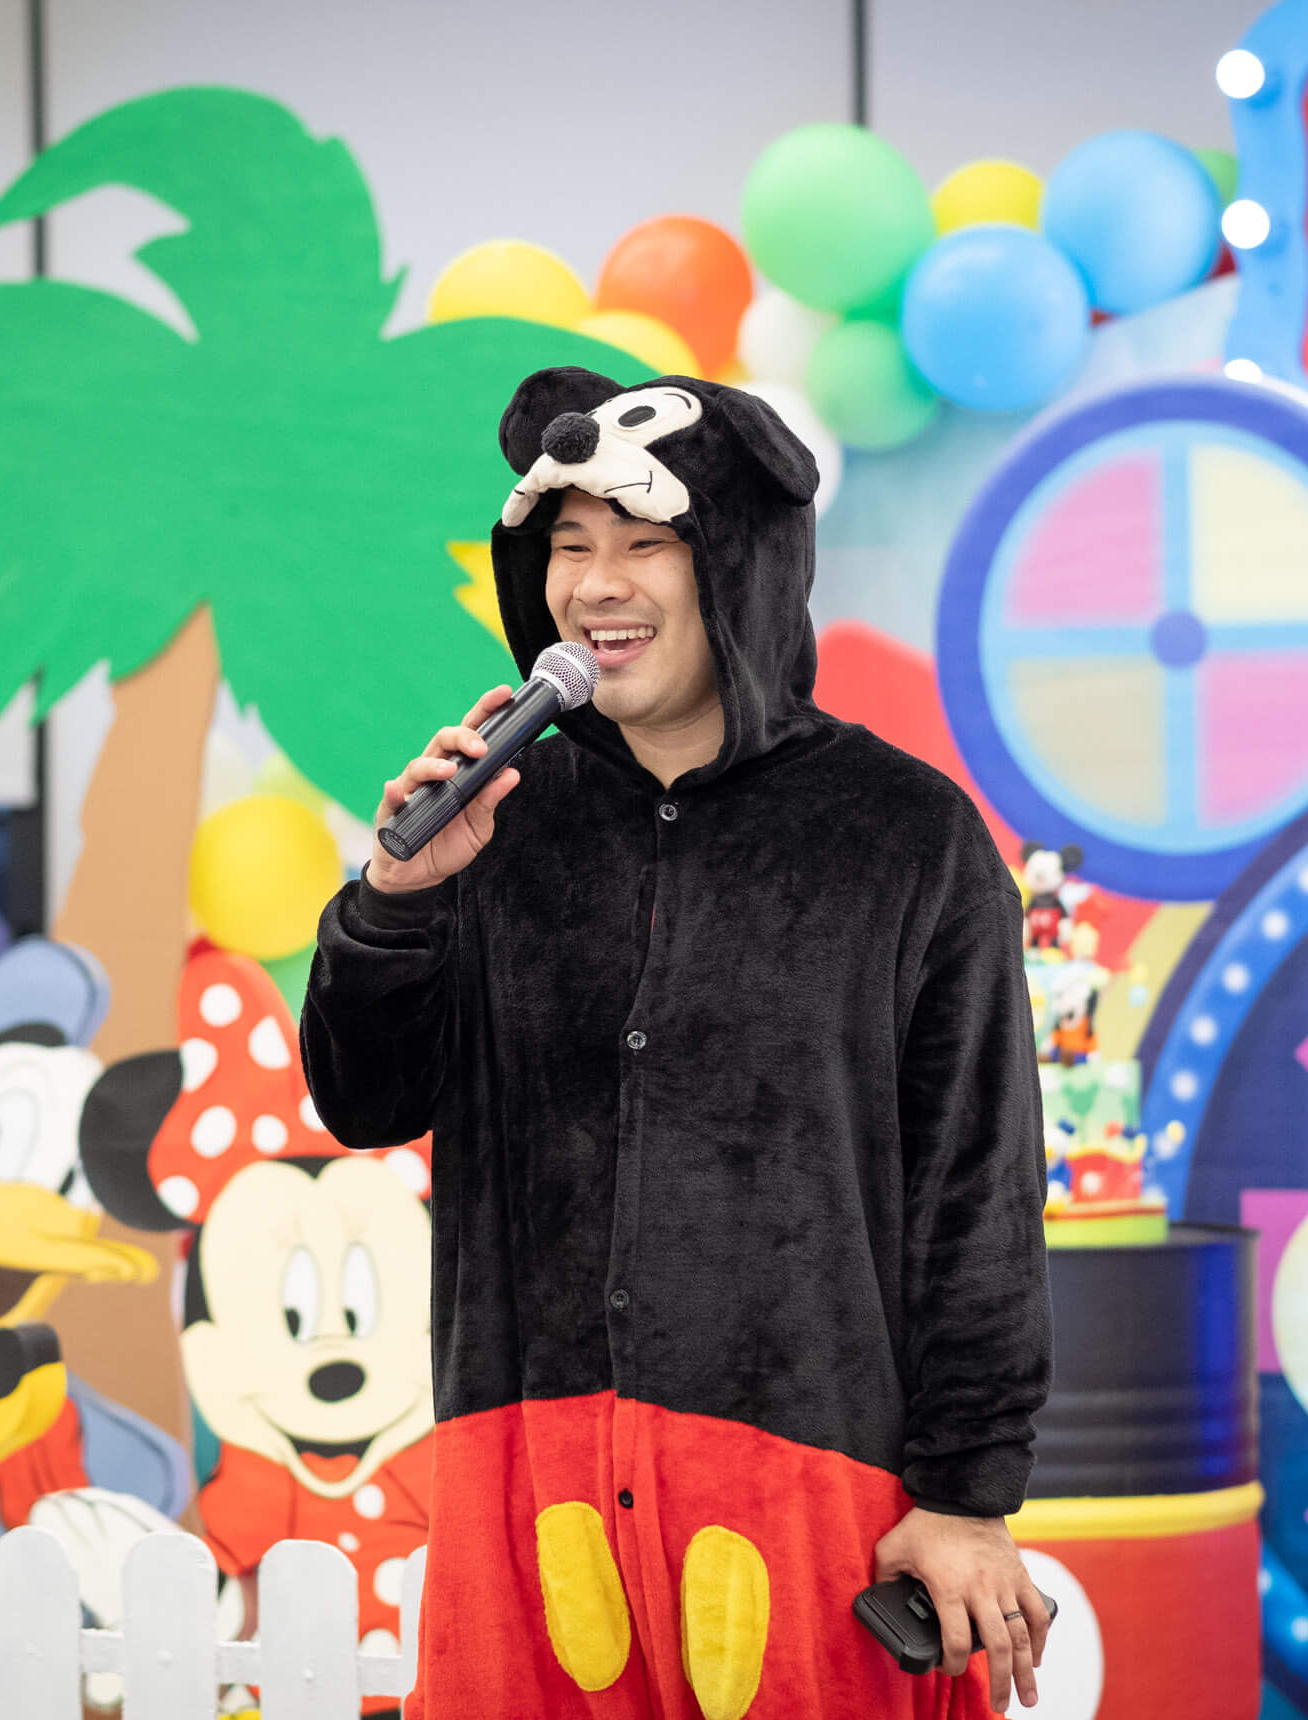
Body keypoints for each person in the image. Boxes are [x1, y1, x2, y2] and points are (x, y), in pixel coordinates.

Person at [301, 368, 1053, 1719]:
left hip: (807, 1487)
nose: (598, 584)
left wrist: (964, 1493)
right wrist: (394, 906)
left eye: (646, 542)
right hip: (527, 1481)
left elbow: (977, 1194)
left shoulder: (905, 837)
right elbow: (365, 1102)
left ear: (742, 565)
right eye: (570, 544)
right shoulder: (493, 816)